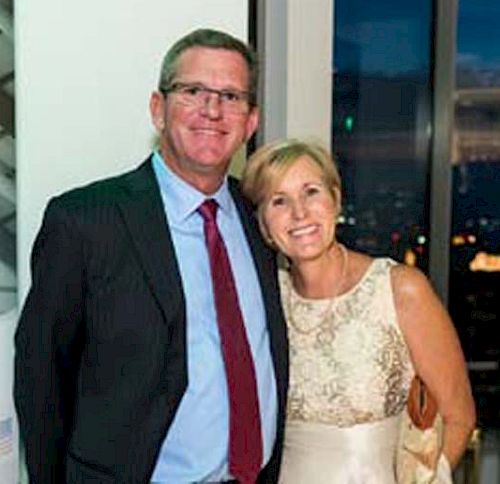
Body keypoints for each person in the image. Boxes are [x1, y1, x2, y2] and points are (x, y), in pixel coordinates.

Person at [14, 29, 288, 484]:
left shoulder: (261, 218)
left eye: (231, 96)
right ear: (158, 109)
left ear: (251, 122)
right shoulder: (85, 221)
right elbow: (41, 374)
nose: (212, 110)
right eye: (193, 91)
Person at [241, 138, 476, 484]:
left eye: (311, 192)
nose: (299, 212)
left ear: (335, 199)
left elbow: (459, 415)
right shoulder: (264, 300)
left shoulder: (399, 288)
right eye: (279, 201)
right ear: (264, 226)